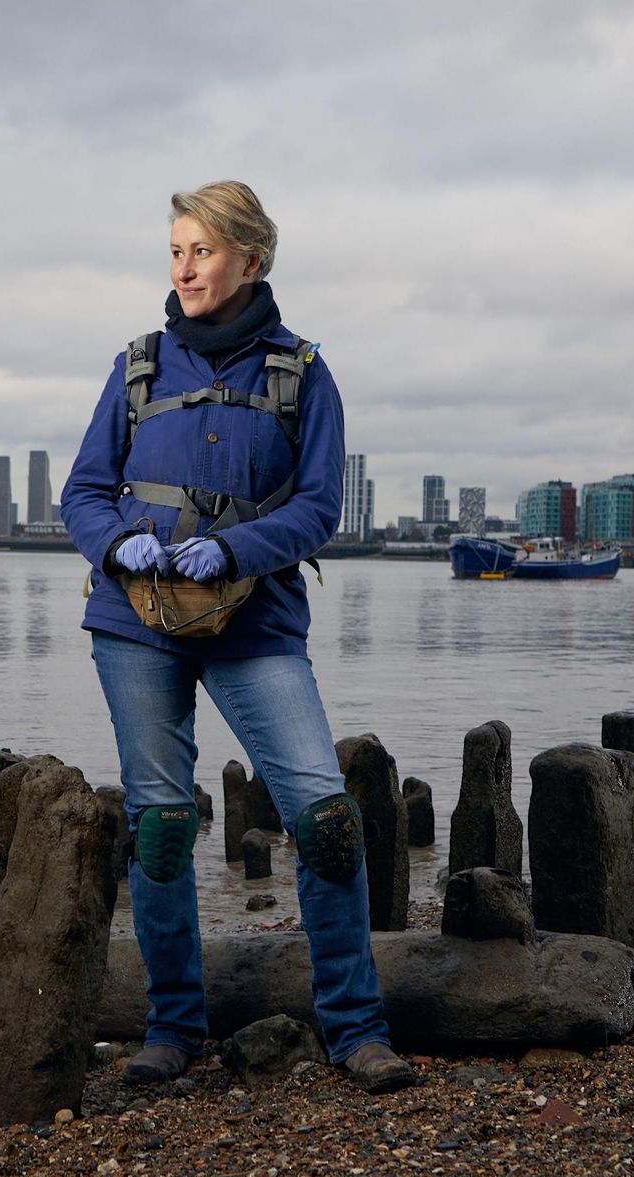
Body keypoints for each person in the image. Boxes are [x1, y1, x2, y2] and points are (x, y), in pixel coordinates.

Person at [60, 181, 417, 1093]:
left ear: (251, 260)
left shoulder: (302, 373)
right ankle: (171, 1029)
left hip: (256, 621)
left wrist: (231, 549)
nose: (183, 268)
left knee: (327, 819)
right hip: (134, 623)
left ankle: (355, 1030)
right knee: (164, 826)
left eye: (202, 252)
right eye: (175, 251)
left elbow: (317, 509)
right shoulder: (137, 368)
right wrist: (118, 545)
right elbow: (82, 495)